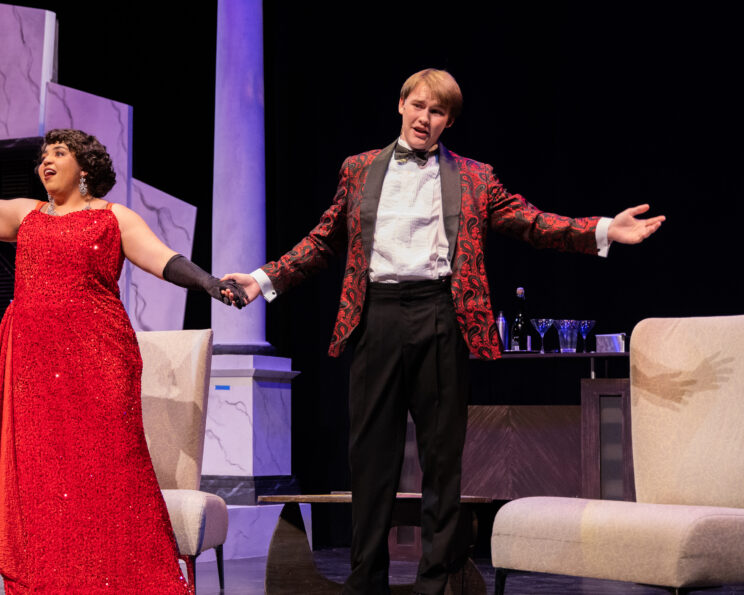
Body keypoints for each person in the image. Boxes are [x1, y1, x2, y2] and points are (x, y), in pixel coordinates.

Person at [222, 69, 664, 595]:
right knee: (370, 461)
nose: (424, 119)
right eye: (418, 106)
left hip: (441, 315)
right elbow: (322, 240)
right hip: (375, 316)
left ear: (448, 122)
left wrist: (600, 230)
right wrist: (261, 278)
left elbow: (532, 222)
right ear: (401, 105)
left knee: (441, 461)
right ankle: (366, 582)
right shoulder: (358, 169)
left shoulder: (476, 177)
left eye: (437, 112)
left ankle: (436, 585)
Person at [0, 128, 246, 594]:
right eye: (43, 156)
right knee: (46, 479)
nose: (45, 161)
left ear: (84, 168)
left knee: (108, 469)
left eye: (59, 153)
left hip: (100, 359)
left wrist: (208, 283)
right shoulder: (26, 215)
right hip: (33, 368)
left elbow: (162, 259)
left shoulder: (112, 218)